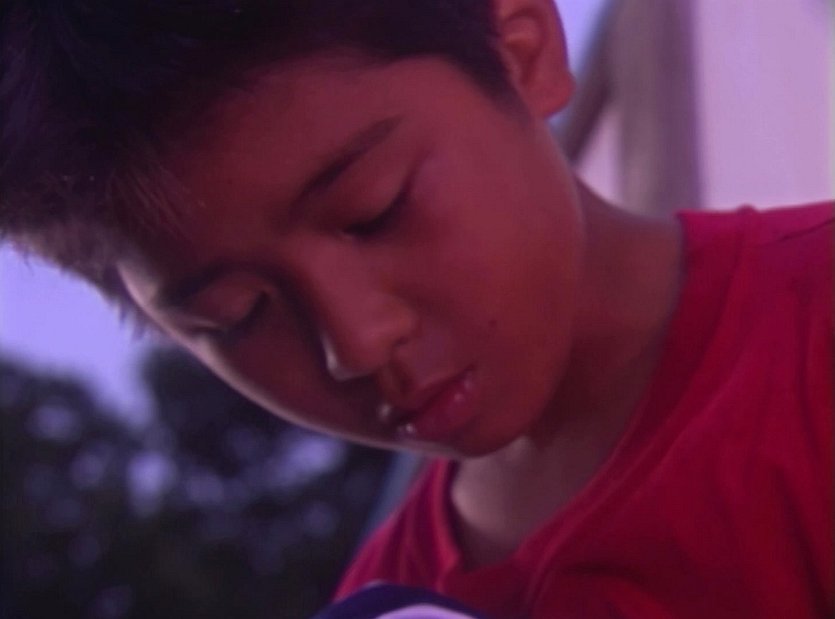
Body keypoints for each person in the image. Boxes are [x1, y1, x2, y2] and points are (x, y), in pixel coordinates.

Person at [1, 0, 831, 617]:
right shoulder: (388, 594)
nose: (355, 343)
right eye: (238, 314)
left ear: (518, 47)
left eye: (374, 210)